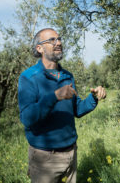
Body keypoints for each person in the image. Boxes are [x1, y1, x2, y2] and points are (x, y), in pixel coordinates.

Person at [18, 28, 106, 183]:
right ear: (40, 48)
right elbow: (27, 117)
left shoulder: (67, 76)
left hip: (71, 153)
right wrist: (55, 96)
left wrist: (93, 98)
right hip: (45, 158)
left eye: (59, 39)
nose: (58, 43)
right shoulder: (28, 77)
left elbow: (77, 109)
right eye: (51, 40)